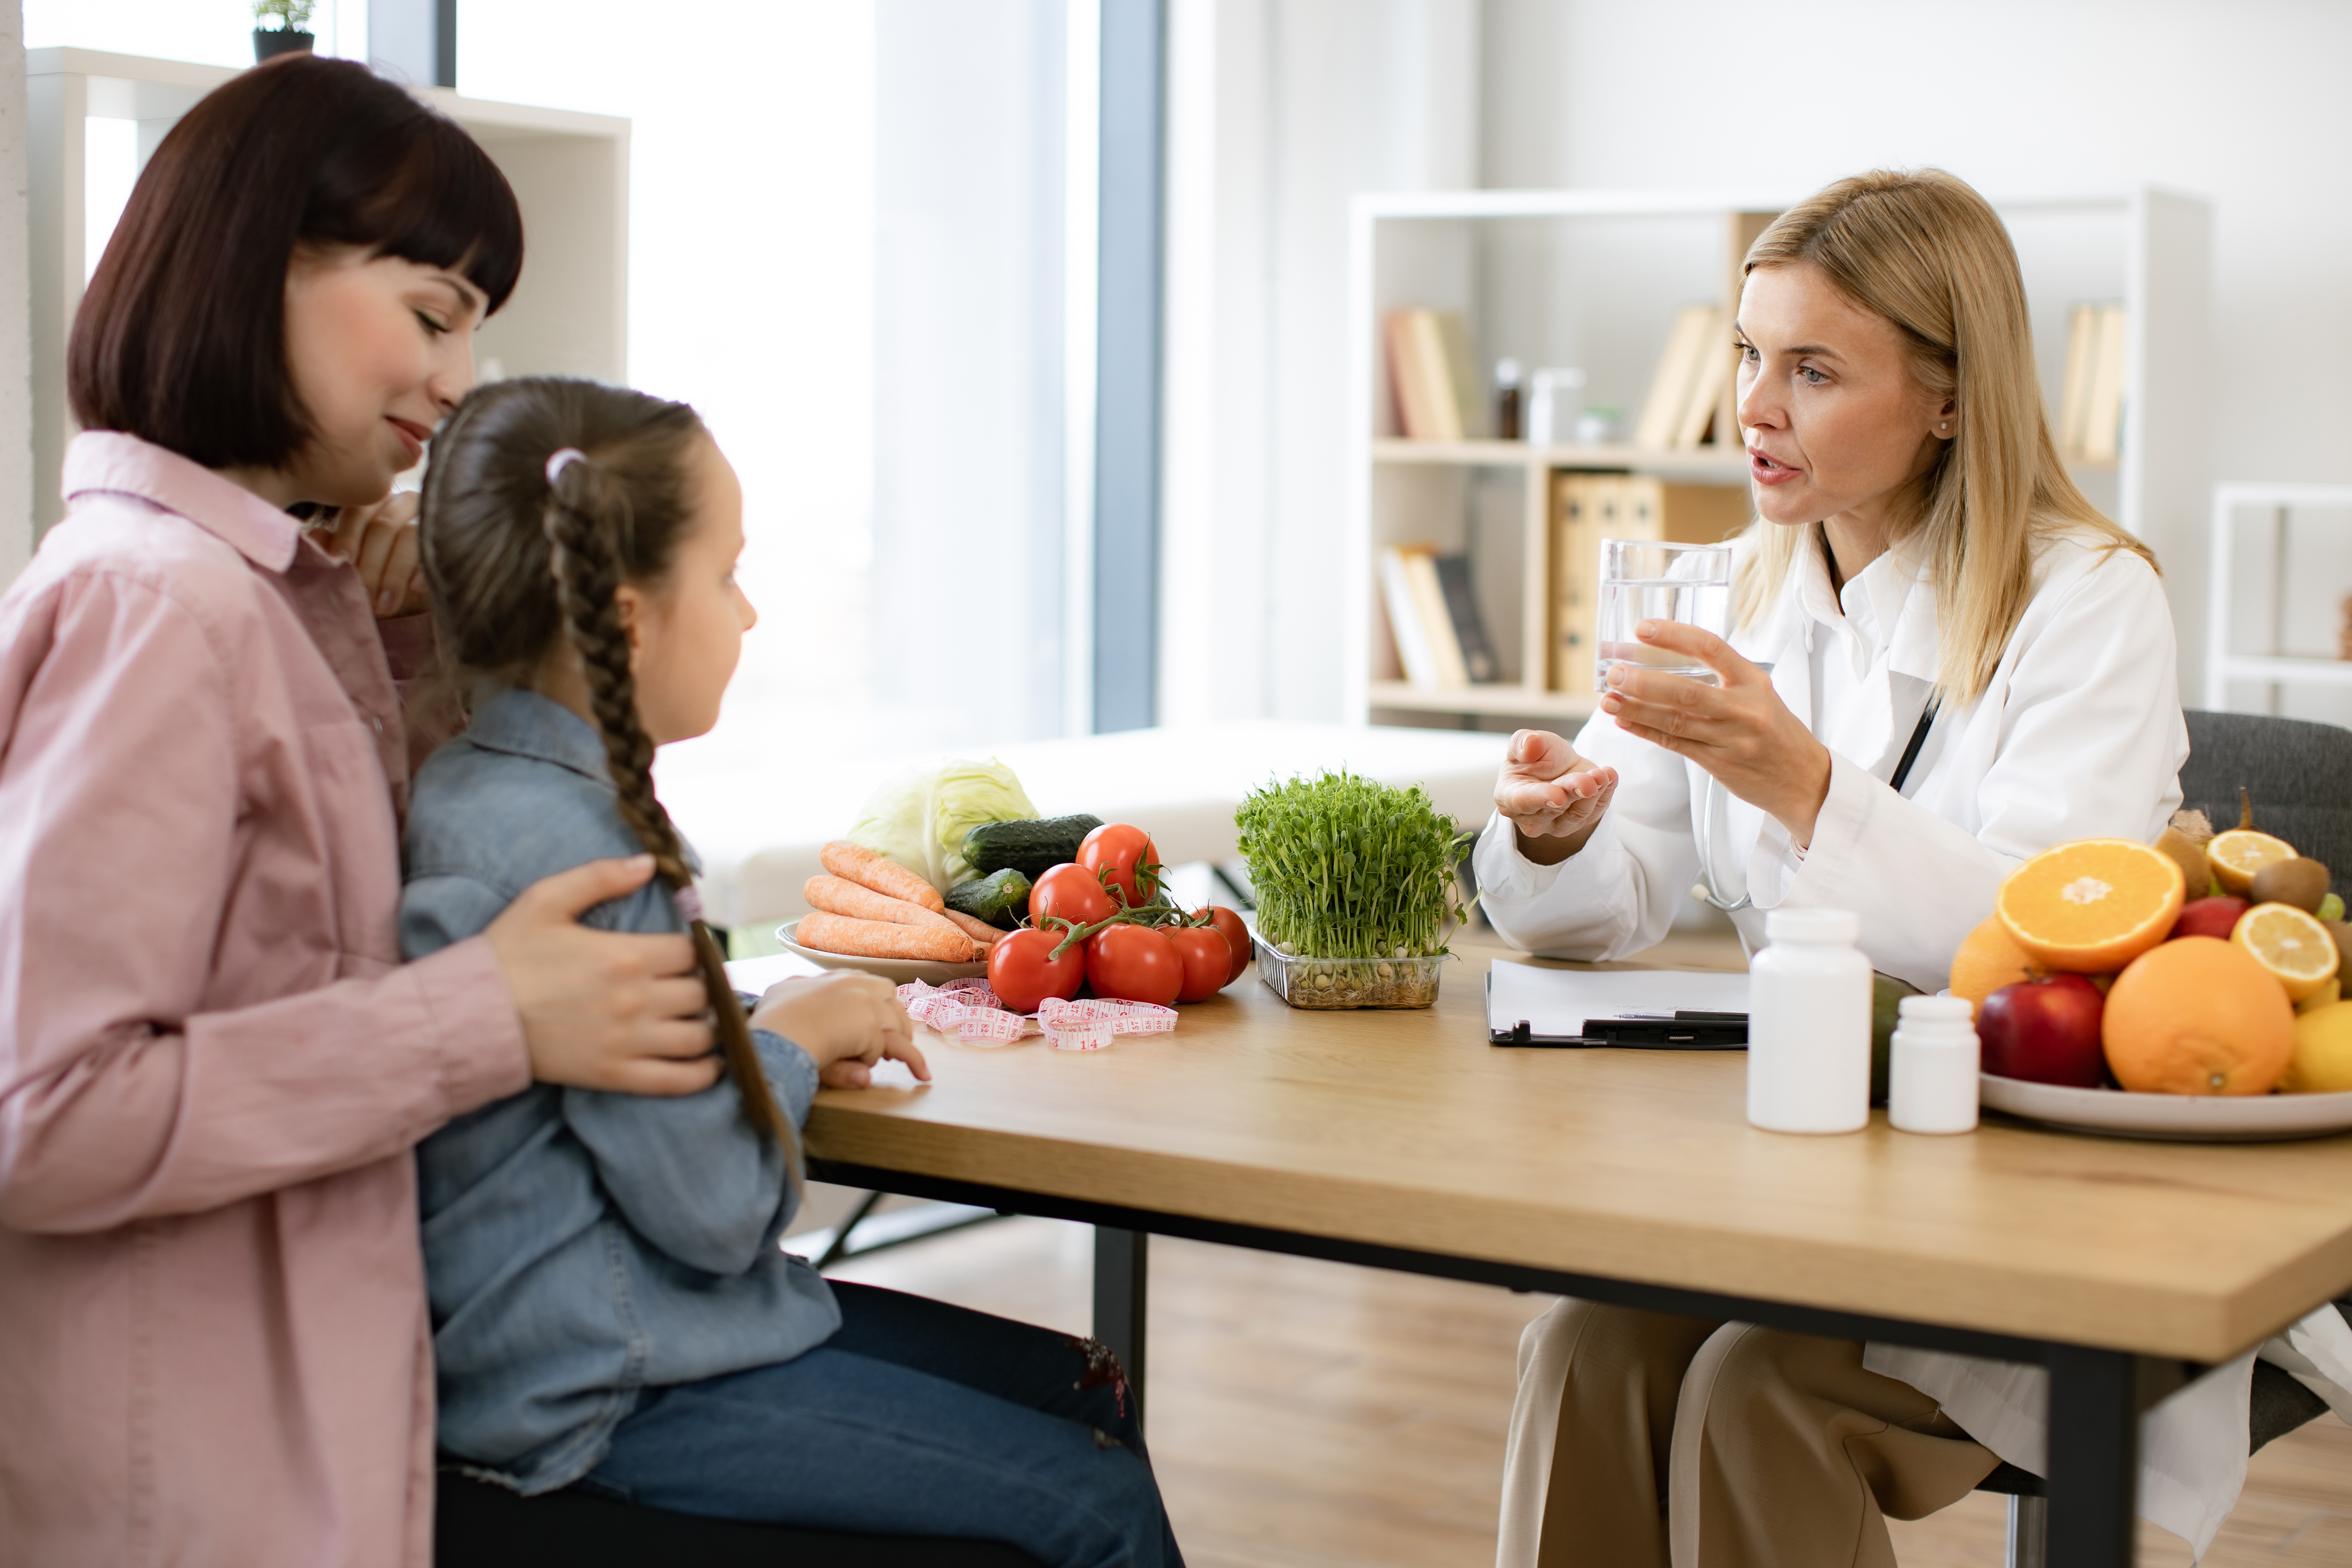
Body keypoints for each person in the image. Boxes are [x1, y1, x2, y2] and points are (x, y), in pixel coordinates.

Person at [1475, 169, 2351, 1567]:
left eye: (1813, 368)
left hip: (2034, 1187)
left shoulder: (2088, 600)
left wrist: (1799, 780)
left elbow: (2046, 948)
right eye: (1752, 352)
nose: (1754, 404)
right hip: (1810, 1168)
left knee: (1753, 1398)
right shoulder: (1724, 592)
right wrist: (1553, 831)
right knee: (1583, 1345)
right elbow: (1604, 905)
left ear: (1952, 396)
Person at [0, 58, 726, 1567]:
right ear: (254, 263)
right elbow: (47, 1115)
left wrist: (413, 646)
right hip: (193, 1481)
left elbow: (291, 930)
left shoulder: (251, 593)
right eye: (432, 315)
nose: (457, 384)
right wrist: (490, 1017)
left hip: (298, 1428)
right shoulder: (156, 605)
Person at [403, 374, 1185, 1568]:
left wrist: (760, 1023)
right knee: (1105, 1508)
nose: (752, 614)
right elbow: (717, 1211)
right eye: (725, 575)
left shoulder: (471, 786)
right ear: (626, 619)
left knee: (1080, 1386)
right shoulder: (594, 856)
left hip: (560, 1347)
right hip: (609, 1384)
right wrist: (792, 1043)